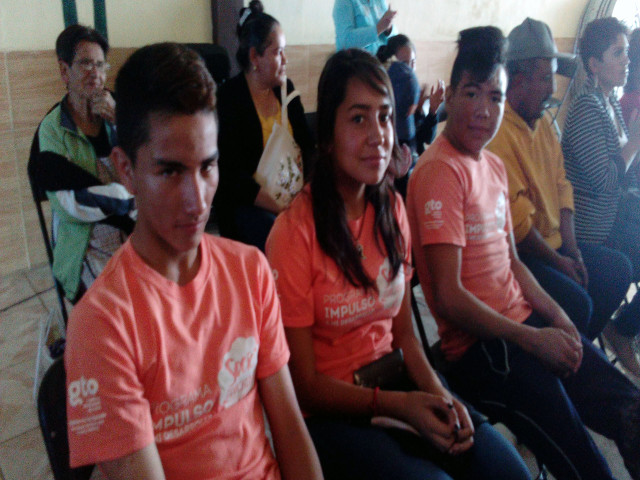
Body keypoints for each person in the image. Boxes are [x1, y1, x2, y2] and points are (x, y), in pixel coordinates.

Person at [266, 48, 532, 480]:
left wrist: (440, 396)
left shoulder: (391, 208)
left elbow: (405, 334)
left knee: (504, 470)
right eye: (358, 118)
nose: (378, 135)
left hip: (396, 383)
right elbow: (305, 386)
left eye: (386, 117)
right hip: (334, 413)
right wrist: (399, 406)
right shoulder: (293, 233)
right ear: (327, 135)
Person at [64, 42, 323, 480]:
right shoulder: (103, 325)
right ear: (125, 170)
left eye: (207, 167)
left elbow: (290, 426)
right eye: (170, 171)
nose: (197, 200)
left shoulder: (250, 271)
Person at [406, 25, 640, 480]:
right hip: (481, 351)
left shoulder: (491, 165)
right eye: (471, 93)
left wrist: (559, 319)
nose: (484, 109)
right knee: (582, 456)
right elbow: (450, 298)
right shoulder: (439, 172)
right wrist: (534, 339)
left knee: (627, 407)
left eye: (495, 97)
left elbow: (512, 261)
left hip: (522, 324)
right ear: (449, 96)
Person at [486, 18, 637, 373]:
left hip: (560, 243)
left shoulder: (542, 122)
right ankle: (568, 365)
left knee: (616, 271)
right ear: (516, 79)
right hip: (527, 254)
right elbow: (519, 225)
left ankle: (576, 359)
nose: (552, 88)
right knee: (579, 301)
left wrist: (571, 250)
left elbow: (562, 184)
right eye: (544, 77)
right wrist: (559, 261)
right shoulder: (498, 133)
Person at [30, 24, 135, 302]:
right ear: (65, 71)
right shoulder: (53, 130)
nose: (95, 73)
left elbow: (149, 168)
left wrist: (121, 122)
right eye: (86, 63)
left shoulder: (120, 110)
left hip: (133, 235)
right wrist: (129, 203)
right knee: (119, 304)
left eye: (100, 65)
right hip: (84, 244)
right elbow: (68, 203)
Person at [562, 17, 640, 375]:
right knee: (623, 266)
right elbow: (607, 181)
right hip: (590, 231)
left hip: (613, 219)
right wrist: (636, 140)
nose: (627, 60)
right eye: (617, 53)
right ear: (594, 64)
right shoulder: (586, 109)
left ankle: (621, 328)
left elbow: (625, 174)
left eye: (627, 53)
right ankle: (617, 332)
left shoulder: (609, 104)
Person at [215, 0, 314, 251]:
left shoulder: (286, 90)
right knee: (282, 234)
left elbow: (308, 146)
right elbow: (231, 175)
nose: (285, 60)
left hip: (292, 198)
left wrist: (306, 197)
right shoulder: (229, 98)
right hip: (250, 205)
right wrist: (282, 208)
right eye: (278, 52)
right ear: (254, 57)